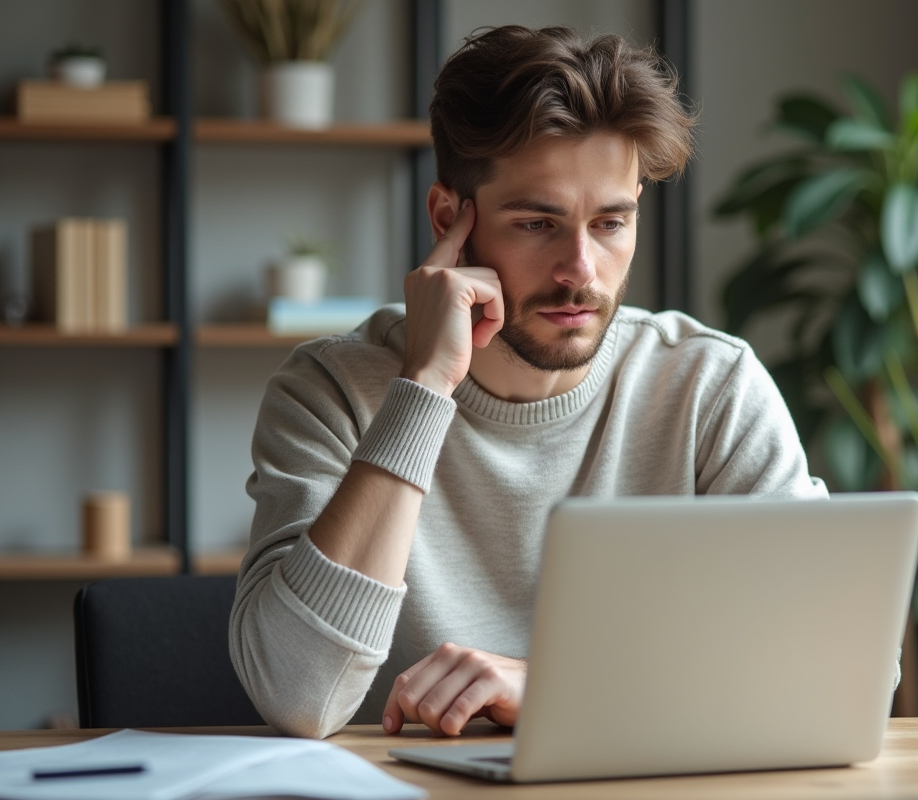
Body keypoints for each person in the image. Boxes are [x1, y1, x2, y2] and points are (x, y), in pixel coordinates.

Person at [230, 24, 828, 741]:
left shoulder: (709, 386)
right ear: (451, 220)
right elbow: (298, 696)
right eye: (539, 223)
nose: (582, 269)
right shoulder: (328, 390)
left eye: (611, 222)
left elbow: (839, 669)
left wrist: (558, 690)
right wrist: (424, 388)